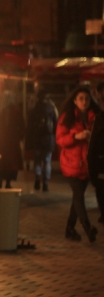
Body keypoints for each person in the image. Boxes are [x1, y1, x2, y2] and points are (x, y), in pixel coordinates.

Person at [55, 86, 99, 243]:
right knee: (79, 196)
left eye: (87, 98)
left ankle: (69, 228)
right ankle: (87, 227)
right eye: (81, 98)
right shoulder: (67, 117)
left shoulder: (95, 117)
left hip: (87, 164)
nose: (84, 102)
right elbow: (60, 140)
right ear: (74, 100)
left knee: (77, 197)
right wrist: (77, 136)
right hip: (71, 163)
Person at [0, 92, 25, 189]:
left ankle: (0, 181)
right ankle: (8, 182)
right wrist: (20, 137)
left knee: (0, 162)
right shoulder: (16, 111)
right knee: (11, 163)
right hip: (12, 142)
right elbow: (21, 126)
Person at [25, 88, 58, 192]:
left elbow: (29, 126)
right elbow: (56, 123)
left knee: (37, 161)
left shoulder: (34, 109)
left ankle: (38, 179)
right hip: (48, 139)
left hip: (37, 139)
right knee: (47, 161)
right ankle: (46, 184)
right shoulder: (51, 108)